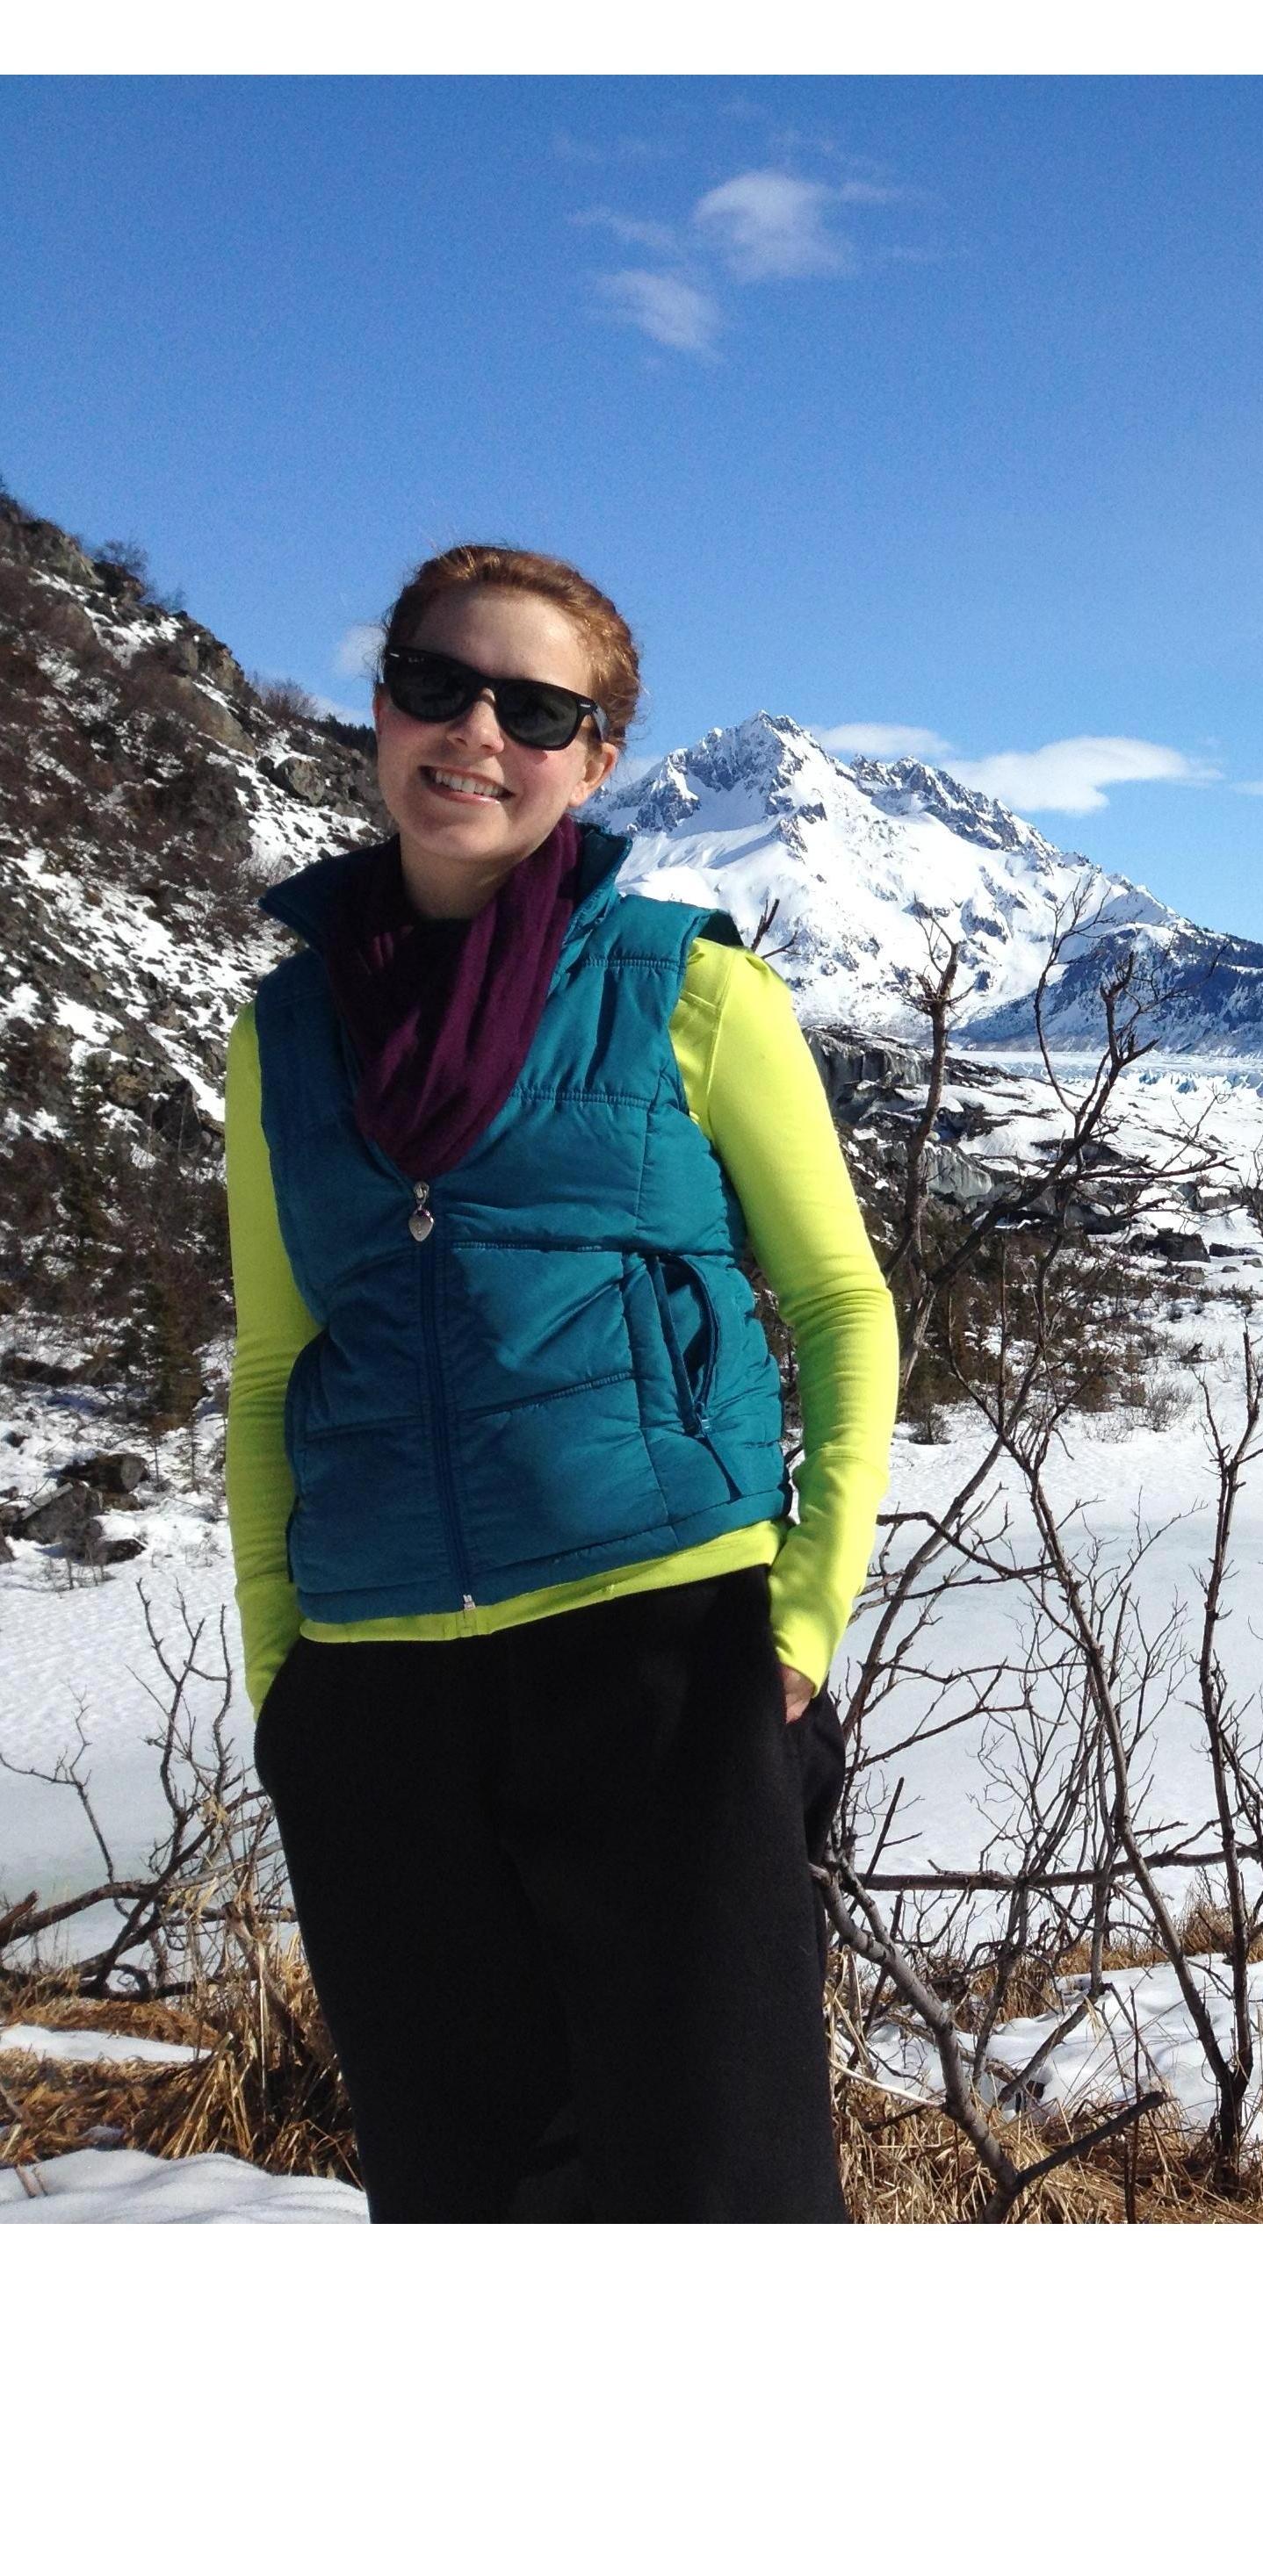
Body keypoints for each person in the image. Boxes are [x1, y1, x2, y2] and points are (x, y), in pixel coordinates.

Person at [222, 543, 897, 2221]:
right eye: (437, 685)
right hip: (379, 1695)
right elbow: (278, 1362)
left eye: (536, 710)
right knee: (462, 2199)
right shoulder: (284, 1035)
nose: (477, 732)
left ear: (595, 760)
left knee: (725, 2193)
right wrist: (286, 1675)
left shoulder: (690, 986)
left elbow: (839, 1301)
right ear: (381, 707)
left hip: (662, 1656)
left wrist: (800, 1619)